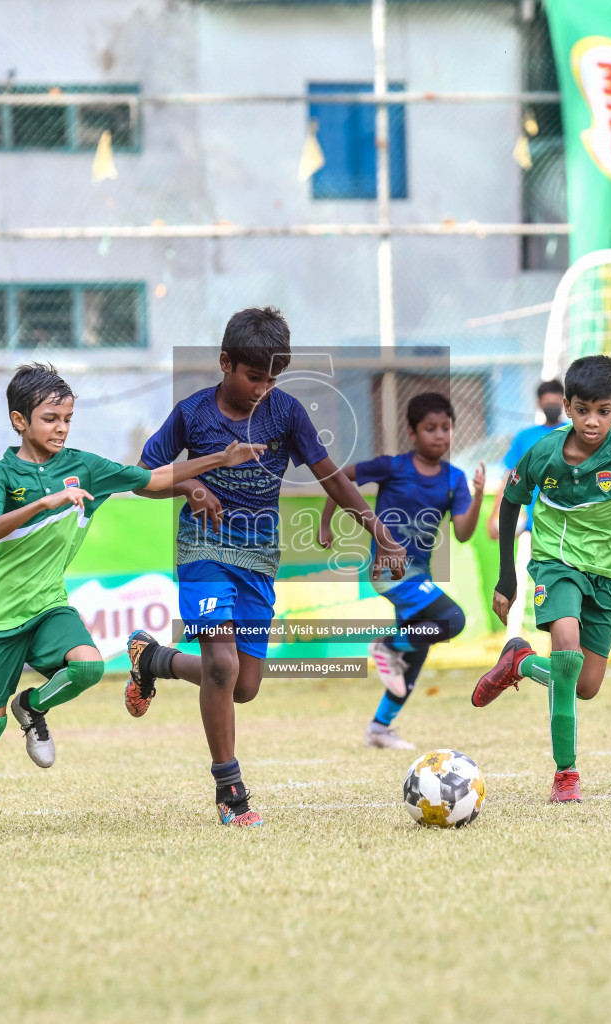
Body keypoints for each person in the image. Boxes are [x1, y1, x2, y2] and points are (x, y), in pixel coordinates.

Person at [0, 364, 263, 839]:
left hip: (48, 605)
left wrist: (217, 460)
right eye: (50, 418)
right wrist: (41, 504)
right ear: (19, 420)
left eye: (67, 418)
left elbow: (153, 480)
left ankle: (32, 707)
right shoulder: (3, 474)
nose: (61, 428)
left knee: (89, 666)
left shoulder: (84, 466)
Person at [123, 307, 406, 827]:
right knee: (223, 666)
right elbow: (143, 474)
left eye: (273, 378)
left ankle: (153, 659)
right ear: (226, 364)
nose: (262, 388)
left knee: (244, 684)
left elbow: (333, 479)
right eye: (254, 377)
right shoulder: (191, 413)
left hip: (259, 558)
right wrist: (190, 484)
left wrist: (380, 533)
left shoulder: (286, 413)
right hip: (203, 548)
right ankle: (231, 791)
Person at [469, 355, 611, 803]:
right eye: (582, 410)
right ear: (567, 406)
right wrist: (508, 577)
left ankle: (518, 662)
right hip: (555, 562)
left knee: (585, 685)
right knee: (566, 646)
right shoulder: (544, 453)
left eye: (603, 411)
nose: (591, 421)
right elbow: (510, 502)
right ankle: (566, 774)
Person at [314, 392, 485, 750]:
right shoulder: (394, 466)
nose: (439, 435)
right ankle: (386, 646)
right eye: (430, 428)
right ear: (413, 432)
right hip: (389, 571)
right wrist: (325, 522)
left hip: (417, 575)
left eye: (446, 428)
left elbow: (464, 533)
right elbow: (338, 477)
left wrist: (479, 495)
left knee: (417, 652)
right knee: (452, 620)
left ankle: (379, 728)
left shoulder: (454, 479)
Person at [487, 380, 568, 637]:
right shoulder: (525, 437)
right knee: (519, 580)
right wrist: (494, 513)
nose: (552, 406)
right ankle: (513, 635)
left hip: (565, 525)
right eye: (548, 401)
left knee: (561, 584)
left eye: (557, 400)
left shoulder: (573, 434)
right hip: (530, 523)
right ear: (539, 403)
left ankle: (565, 633)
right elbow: (509, 477)